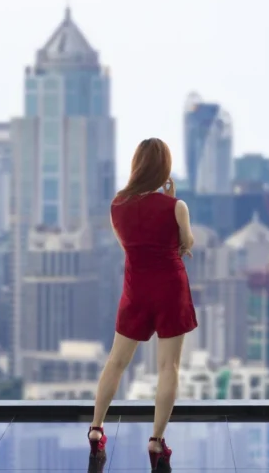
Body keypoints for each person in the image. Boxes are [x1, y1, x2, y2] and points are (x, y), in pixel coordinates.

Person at [87, 137, 197, 470]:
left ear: (137, 165)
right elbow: (187, 242)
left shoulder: (116, 205)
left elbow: (128, 243)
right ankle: (156, 442)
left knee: (116, 362)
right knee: (168, 368)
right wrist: (170, 200)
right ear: (164, 168)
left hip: (136, 289)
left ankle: (95, 430)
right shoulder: (176, 205)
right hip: (170, 289)